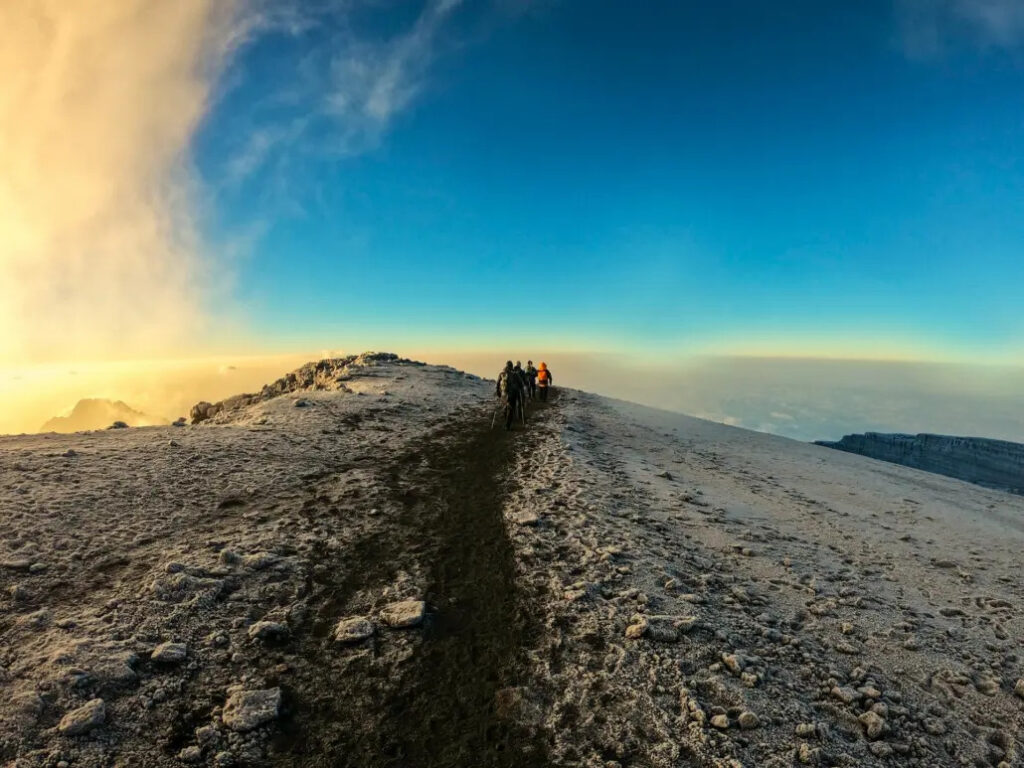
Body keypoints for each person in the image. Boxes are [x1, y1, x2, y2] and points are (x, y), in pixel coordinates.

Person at [496, 360, 524, 430]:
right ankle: (507, 425)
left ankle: (506, 419)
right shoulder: (515, 374)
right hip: (512, 394)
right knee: (511, 409)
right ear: (511, 366)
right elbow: (521, 384)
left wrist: (498, 392)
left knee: (506, 406)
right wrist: (519, 389)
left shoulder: (502, 374)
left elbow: (497, 383)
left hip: (504, 394)